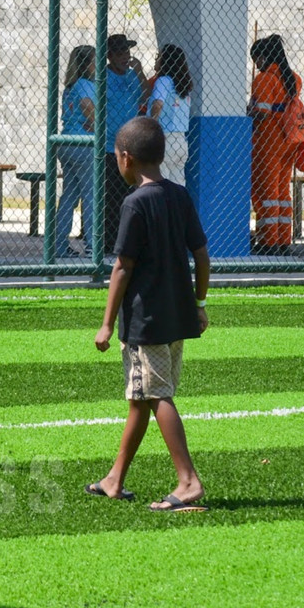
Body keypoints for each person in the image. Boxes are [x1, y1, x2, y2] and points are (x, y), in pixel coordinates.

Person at [91, 116, 210, 512]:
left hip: (147, 321)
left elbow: (122, 267)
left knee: (157, 395)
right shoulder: (179, 195)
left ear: (125, 158)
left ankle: (188, 481)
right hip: (178, 316)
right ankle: (114, 479)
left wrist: (107, 323)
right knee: (140, 398)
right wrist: (200, 304)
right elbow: (201, 254)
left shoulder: (134, 203)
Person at [248, 34, 304, 255]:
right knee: (283, 191)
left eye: (256, 59)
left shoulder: (264, 80)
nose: (256, 65)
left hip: (268, 142)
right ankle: (283, 238)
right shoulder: (293, 79)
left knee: (266, 191)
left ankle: (268, 241)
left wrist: (249, 111)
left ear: (263, 58)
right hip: (289, 142)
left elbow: (262, 113)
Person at [102, 34, 148, 253]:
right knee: (109, 195)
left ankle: (126, 240)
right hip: (109, 144)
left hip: (130, 145)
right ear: (110, 56)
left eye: (127, 52)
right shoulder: (103, 77)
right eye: (120, 53)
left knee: (129, 194)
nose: (125, 57)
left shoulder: (132, 76)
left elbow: (146, 96)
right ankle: (106, 242)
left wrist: (139, 71)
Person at [55, 45, 97, 259]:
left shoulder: (70, 86)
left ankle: (59, 244)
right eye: (94, 61)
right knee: (91, 195)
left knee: (70, 195)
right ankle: (92, 245)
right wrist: (98, 125)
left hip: (68, 142)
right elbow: (88, 106)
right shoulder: (85, 85)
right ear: (86, 64)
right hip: (85, 144)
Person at [148, 44, 194, 184]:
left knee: (161, 182)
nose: (156, 60)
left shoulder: (163, 81)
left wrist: (150, 125)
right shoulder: (183, 85)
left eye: (158, 57)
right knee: (178, 183)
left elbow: (158, 104)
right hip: (180, 140)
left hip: (164, 136)